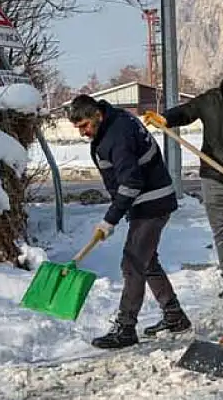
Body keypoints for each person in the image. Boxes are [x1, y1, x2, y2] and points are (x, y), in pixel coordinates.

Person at [68, 94, 188, 349]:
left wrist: (110, 219)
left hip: (151, 204)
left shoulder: (117, 136)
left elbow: (131, 182)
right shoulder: (114, 121)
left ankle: (125, 327)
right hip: (150, 200)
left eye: (85, 126)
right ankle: (174, 315)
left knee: (132, 262)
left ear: (97, 115)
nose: (83, 133)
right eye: (79, 128)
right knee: (146, 260)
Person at [143, 68, 223, 301]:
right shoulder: (212, 101)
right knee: (221, 229)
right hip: (214, 175)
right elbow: (188, 111)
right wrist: (166, 118)